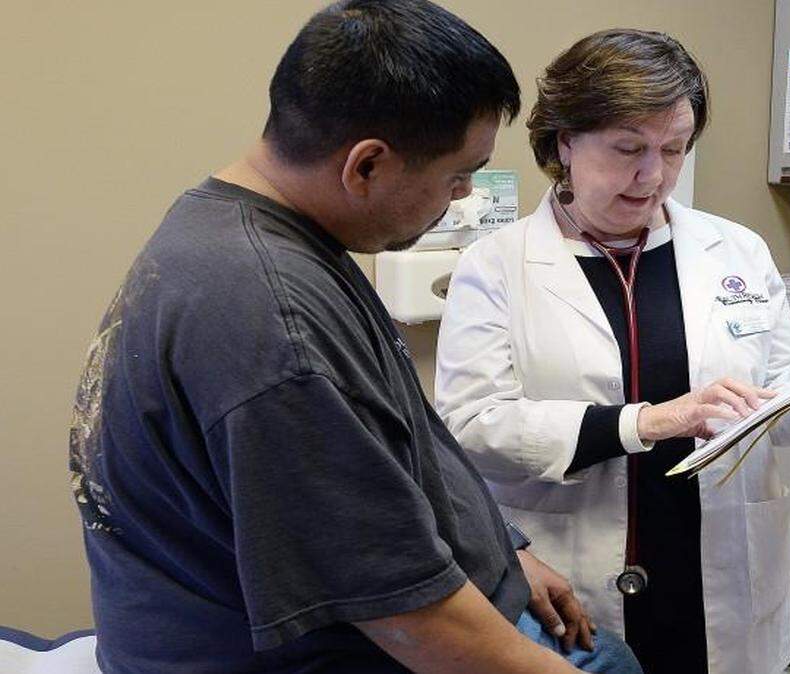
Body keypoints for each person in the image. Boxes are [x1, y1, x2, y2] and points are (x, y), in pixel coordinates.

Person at [67, 2, 643, 673]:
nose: (462, 197)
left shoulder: (249, 229)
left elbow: (395, 446)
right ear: (366, 165)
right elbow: (409, 618)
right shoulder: (272, 320)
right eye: (459, 175)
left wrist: (502, 548)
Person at [435, 29, 790, 674]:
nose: (653, 175)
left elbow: (772, 404)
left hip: (718, 564)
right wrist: (646, 422)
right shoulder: (496, 265)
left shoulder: (735, 250)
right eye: (628, 149)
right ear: (564, 142)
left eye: (673, 150)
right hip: (573, 564)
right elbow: (472, 425)